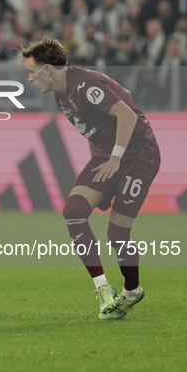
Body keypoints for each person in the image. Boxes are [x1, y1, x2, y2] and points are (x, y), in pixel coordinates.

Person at [22, 38, 160, 320]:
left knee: (117, 234)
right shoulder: (61, 93)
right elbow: (93, 132)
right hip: (106, 155)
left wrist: (115, 159)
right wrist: (104, 171)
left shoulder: (87, 86)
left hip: (139, 156)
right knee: (73, 212)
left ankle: (132, 291)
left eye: (32, 71)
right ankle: (103, 289)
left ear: (48, 69)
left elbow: (127, 115)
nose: (29, 78)